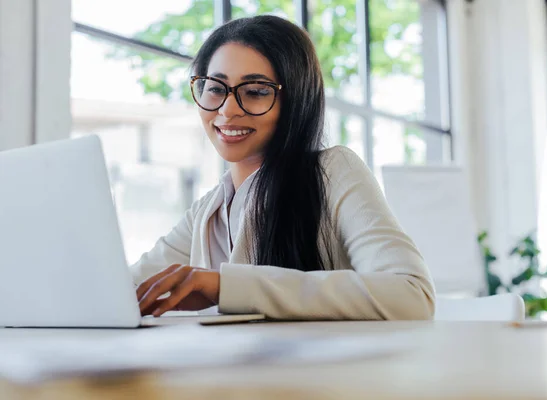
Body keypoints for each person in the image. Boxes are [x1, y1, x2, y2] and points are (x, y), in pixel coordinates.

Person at [132, 15, 435, 321]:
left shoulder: (332, 172)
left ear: (295, 101)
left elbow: (412, 294)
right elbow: (127, 287)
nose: (227, 110)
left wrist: (229, 287)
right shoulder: (207, 212)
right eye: (215, 88)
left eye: (256, 91)